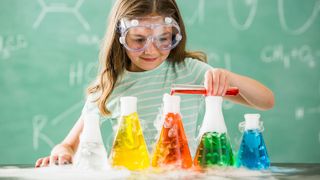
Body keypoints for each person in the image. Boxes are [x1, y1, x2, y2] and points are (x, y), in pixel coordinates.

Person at [35, 0, 274, 168]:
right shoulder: (110, 84)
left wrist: (228, 78)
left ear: (174, 35)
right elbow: (69, 144)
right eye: (138, 39)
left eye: (163, 39)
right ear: (120, 37)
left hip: (183, 175)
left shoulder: (189, 71)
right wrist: (61, 153)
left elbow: (265, 101)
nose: (151, 50)